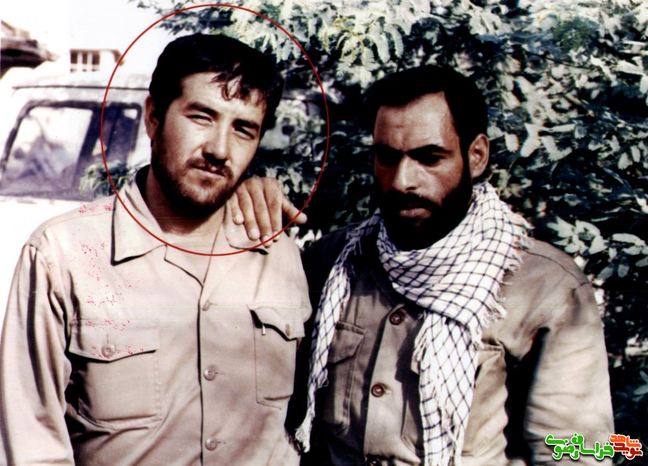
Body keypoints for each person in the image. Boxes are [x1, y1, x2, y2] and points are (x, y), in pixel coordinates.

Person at [232, 65, 614, 465]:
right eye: (387, 157)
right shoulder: (331, 263)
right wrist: (242, 195)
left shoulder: (544, 286)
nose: (402, 181)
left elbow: (580, 452)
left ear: (476, 156)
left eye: (429, 158)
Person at [0, 33, 311, 465]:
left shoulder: (280, 253)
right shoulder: (63, 255)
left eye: (243, 129)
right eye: (201, 117)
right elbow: (33, 444)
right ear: (153, 117)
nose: (219, 150)